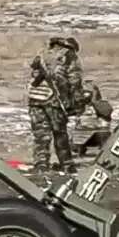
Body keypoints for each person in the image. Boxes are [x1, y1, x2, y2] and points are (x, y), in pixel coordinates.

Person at [26, 36, 84, 171]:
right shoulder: (68, 56)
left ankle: (41, 164)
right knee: (60, 133)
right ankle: (67, 165)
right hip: (54, 101)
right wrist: (77, 103)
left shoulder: (42, 53)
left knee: (41, 135)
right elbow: (75, 81)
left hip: (35, 99)